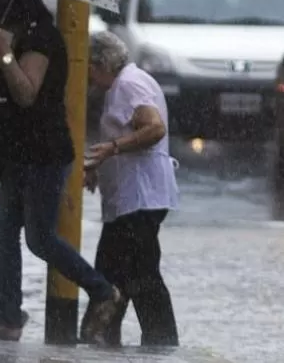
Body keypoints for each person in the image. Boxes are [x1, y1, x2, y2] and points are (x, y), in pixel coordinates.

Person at [0, 0, 122, 343]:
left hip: (43, 153)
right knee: (3, 230)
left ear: (12, 3)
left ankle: (102, 290)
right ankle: (8, 318)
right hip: (17, 152)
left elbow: (26, 93)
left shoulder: (42, 39)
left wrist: (4, 53)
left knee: (39, 238)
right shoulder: (20, 37)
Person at [81, 31, 180, 346]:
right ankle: (103, 336)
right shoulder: (126, 82)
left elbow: (154, 127)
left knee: (139, 274)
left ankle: (160, 342)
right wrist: (99, 165)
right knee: (115, 272)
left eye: (88, 66)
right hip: (131, 198)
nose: (86, 73)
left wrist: (113, 148)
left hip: (139, 198)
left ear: (101, 64)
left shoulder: (127, 85)